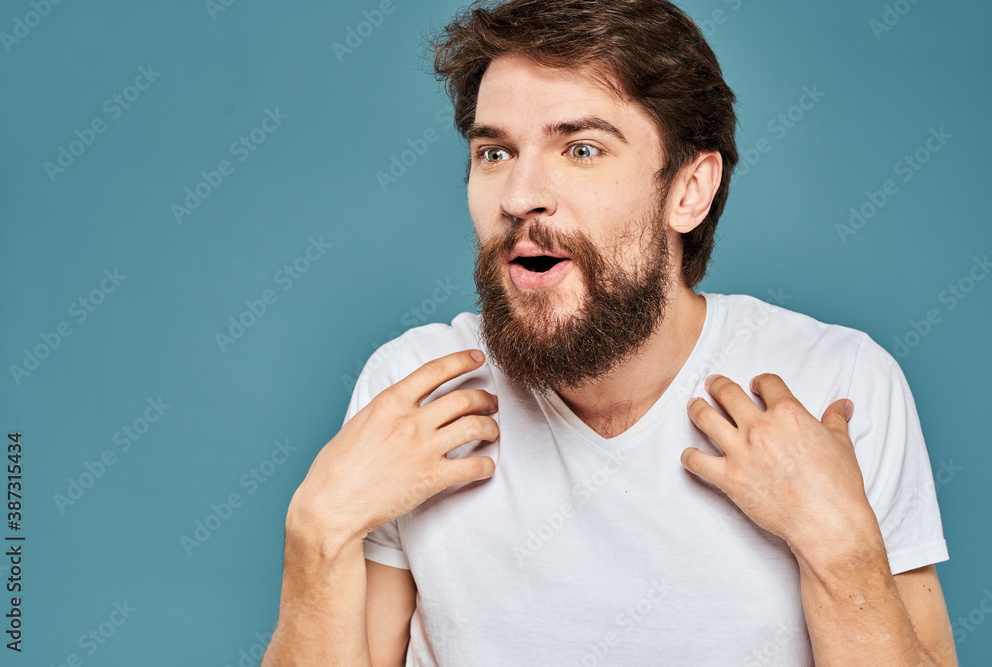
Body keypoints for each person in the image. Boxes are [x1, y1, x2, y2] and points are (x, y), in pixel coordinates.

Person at [263, 1, 956, 664]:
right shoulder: (421, 389)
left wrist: (843, 549)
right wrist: (317, 531)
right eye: (495, 153)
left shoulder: (835, 383)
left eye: (582, 149)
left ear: (688, 190)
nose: (518, 196)